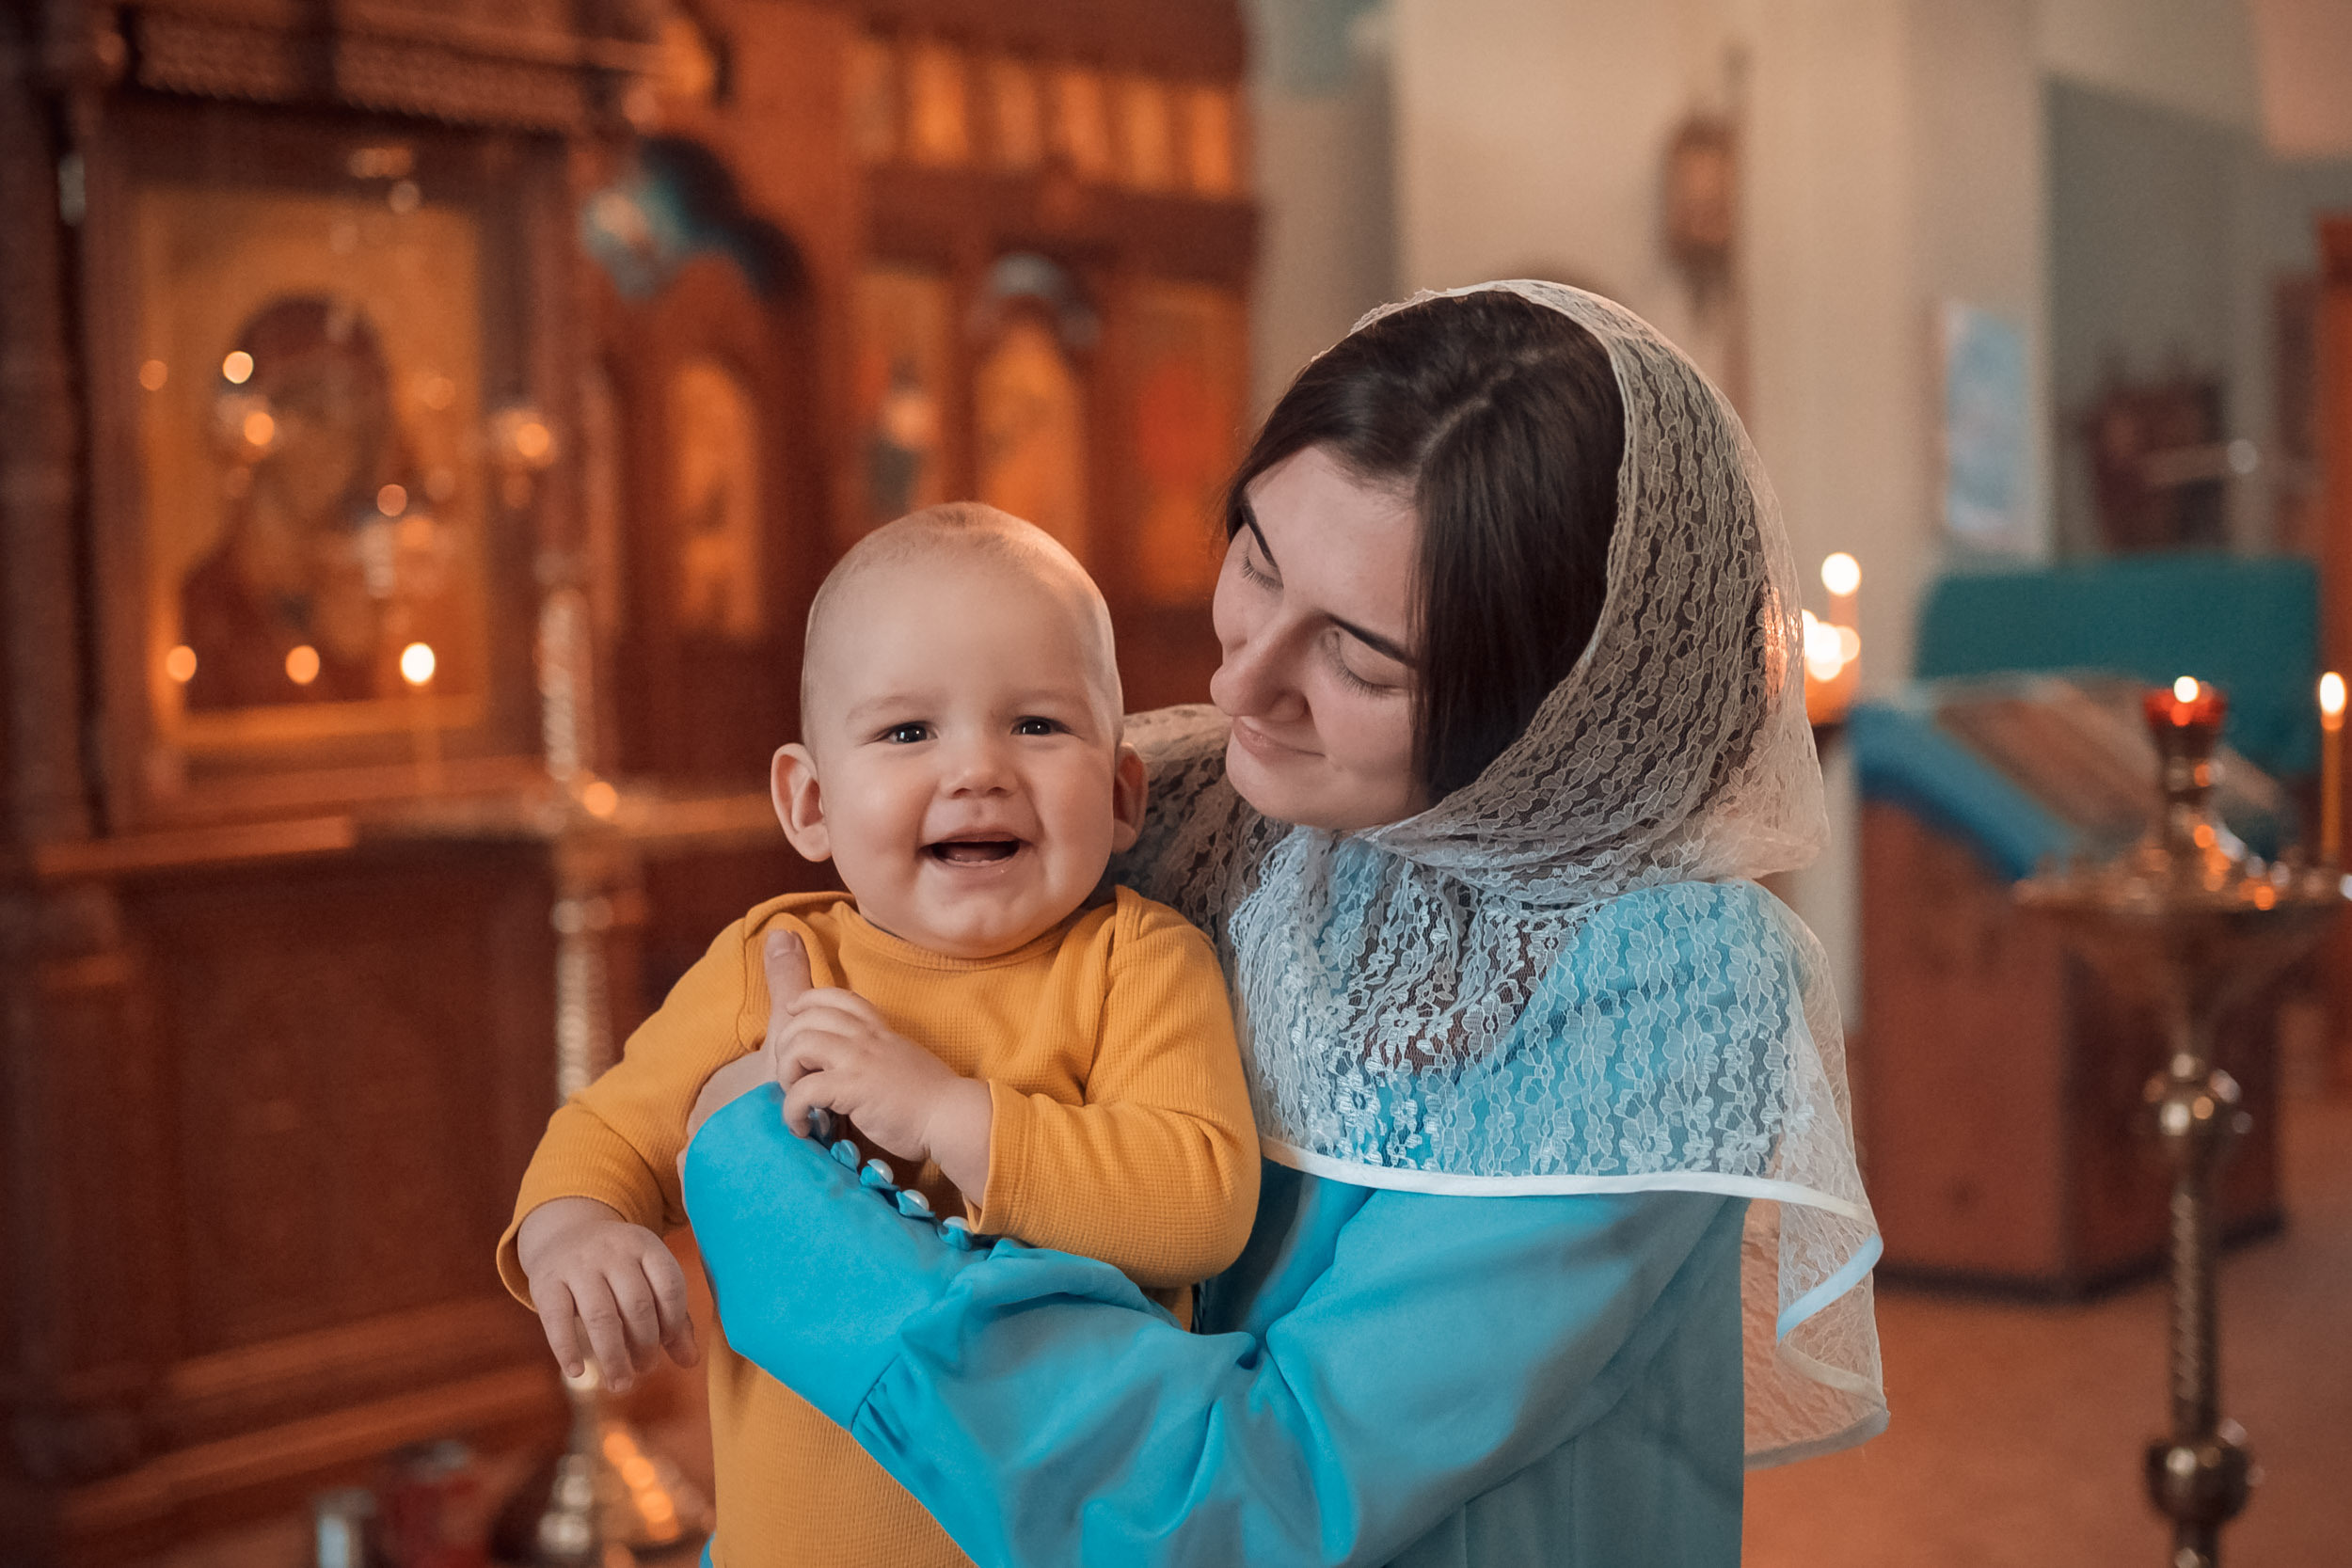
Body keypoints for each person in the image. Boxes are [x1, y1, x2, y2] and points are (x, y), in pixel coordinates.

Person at [677, 282, 1888, 1568]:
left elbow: (1255, 1497)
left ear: (1546, 708)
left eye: (1360, 660)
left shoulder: (1658, 978)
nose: (1239, 679)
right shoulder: (1185, 795)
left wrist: (757, 1181)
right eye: (1255, 556)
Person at [498, 504, 1261, 1568]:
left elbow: (1198, 1202)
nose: (977, 770)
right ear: (808, 801)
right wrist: (574, 1233)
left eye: (1037, 724)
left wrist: (946, 1109)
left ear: (1122, 790)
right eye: (908, 731)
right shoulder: (772, 963)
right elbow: (605, 1134)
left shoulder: (1136, 962)